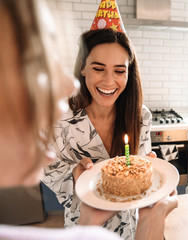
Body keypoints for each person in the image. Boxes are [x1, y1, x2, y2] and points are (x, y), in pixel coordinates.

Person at [0, 0, 177, 239]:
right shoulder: (59, 118)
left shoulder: (141, 115)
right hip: (81, 220)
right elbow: (48, 169)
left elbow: (139, 166)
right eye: (98, 68)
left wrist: (148, 185)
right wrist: (74, 174)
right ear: (82, 68)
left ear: (129, 72)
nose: (108, 81)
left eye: (119, 70)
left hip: (132, 223)